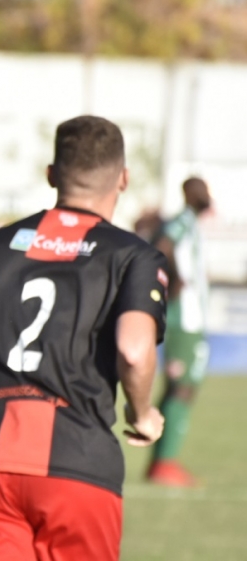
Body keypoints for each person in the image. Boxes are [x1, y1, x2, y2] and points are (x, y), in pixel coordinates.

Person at [0, 115, 167, 561]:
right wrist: (144, 413)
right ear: (123, 179)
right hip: (75, 459)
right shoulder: (132, 256)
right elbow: (134, 349)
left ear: (52, 175)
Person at [146, 176, 212, 487]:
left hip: (193, 319)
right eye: (202, 190)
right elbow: (162, 245)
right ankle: (164, 463)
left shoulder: (192, 224)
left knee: (183, 388)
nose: (206, 195)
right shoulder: (182, 221)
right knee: (181, 387)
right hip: (184, 319)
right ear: (190, 194)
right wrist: (172, 279)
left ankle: (162, 460)